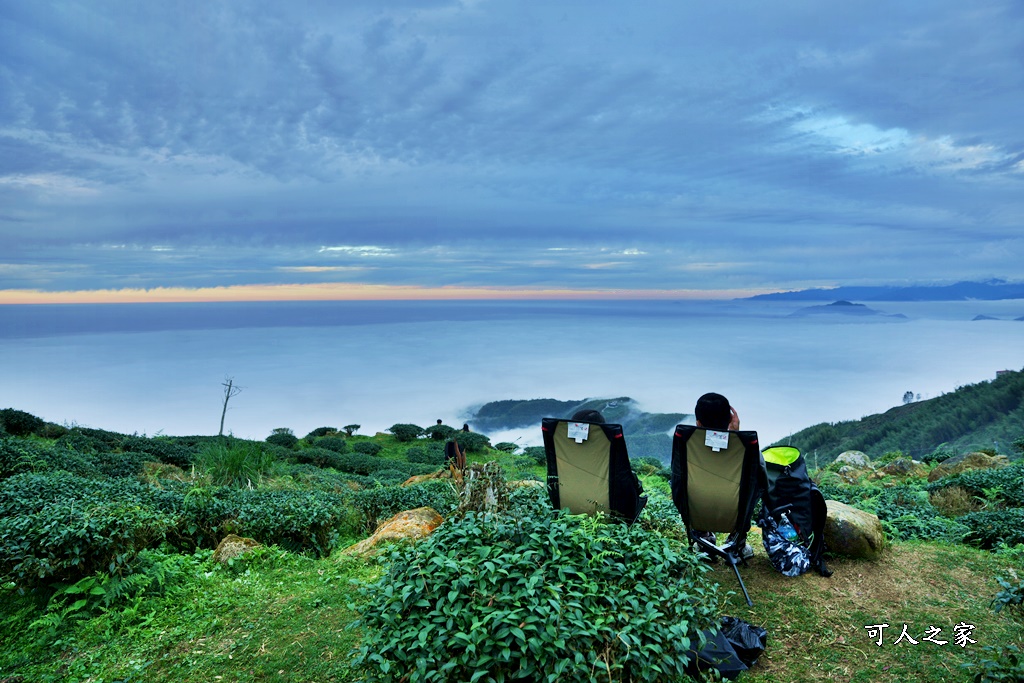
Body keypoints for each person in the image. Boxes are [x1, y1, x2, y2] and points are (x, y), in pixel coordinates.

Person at [692, 392, 753, 560]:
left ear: (698, 422)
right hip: (735, 514)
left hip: (697, 513)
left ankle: (704, 542)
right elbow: (760, 477)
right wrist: (736, 435)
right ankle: (736, 545)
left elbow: (677, 481)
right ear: (730, 420)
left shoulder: (687, 447)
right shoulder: (744, 447)